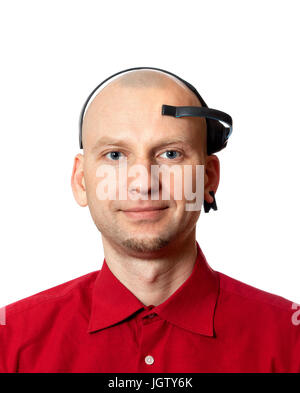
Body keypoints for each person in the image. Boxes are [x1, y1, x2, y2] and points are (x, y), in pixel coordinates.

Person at [0, 69, 299, 373]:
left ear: (208, 178)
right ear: (80, 181)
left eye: (171, 154)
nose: (143, 183)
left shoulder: (291, 340)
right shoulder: (8, 342)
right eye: (115, 155)